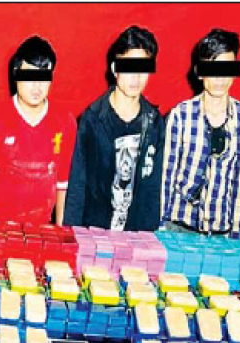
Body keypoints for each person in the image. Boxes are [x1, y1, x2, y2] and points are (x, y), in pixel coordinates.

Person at [64, 25, 165, 231]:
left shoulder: (155, 123)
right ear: (115, 69)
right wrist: (72, 235)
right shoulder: (92, 119)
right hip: (94, 233)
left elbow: (153, 190)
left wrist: (149, 238)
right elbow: (77, 185)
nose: (136, 77)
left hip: (135, 236)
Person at [161, 28, 240, 238]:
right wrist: (161, 226)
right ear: (199, 71)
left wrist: (235, 235)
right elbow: (166, 176)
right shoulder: (180, 115)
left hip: (220, 229)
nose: (219, 78)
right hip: (178, 225)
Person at [0, 36, 76, 226]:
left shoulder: (64, 122)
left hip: (42, 230)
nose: (37, 86)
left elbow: (63, 186)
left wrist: (61, 233)